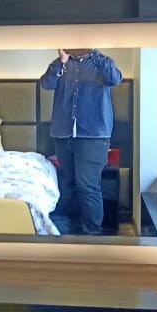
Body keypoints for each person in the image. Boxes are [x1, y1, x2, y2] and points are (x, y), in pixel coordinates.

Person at [39, 48, 122, 235]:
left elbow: (115, 79)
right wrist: (61, 61)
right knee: (68, 184)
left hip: (93, 135)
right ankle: (72, 232)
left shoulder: (101, 63)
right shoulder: (62, 64)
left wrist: (94, 53)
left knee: (88, 185)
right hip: (63, 133)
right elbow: (46, 84)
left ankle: (91, 234)